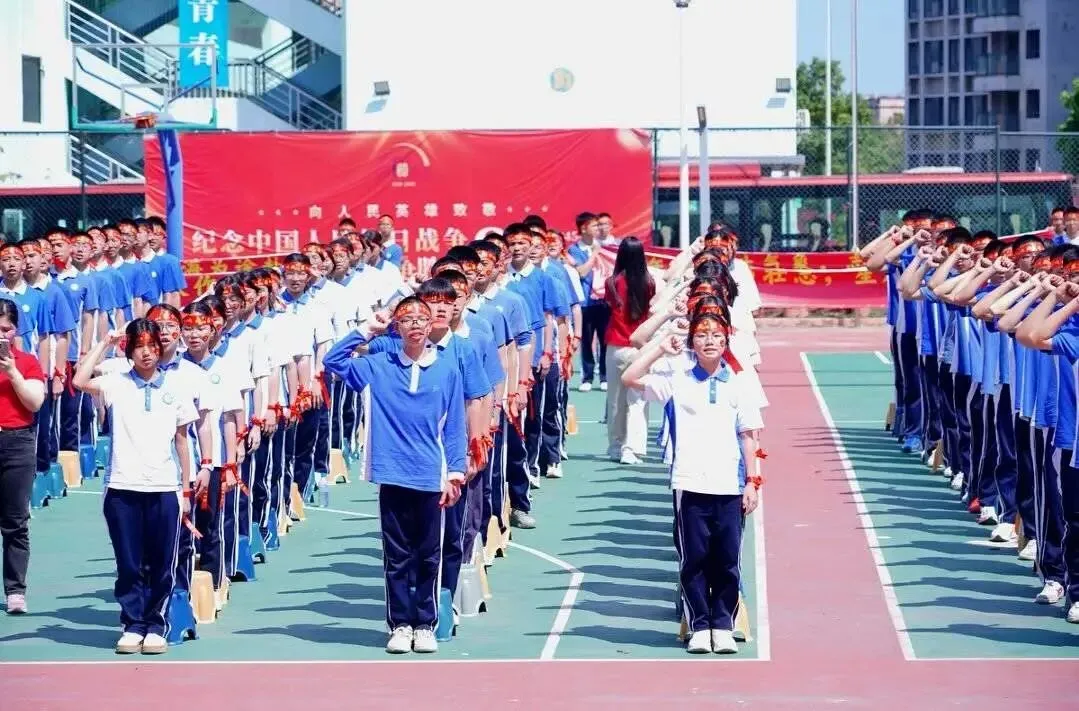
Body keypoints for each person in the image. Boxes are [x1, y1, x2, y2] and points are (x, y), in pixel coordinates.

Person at [322, 296, 466, 654]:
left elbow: (454, 427)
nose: (415, 324)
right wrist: (367, 329)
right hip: (392, 474)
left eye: (421, 318)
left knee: (429, 555)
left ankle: (425, 624)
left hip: (431, 476)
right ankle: (400, 624)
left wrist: (456, 472)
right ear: (396, 327)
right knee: (397, 556)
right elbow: (332, 361)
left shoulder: (447, 369)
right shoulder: (377, 366)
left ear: (431, 324)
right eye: (406, 319)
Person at [621, 307, 762, 653]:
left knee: (727, 560)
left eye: (716, 336)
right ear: (691, 342)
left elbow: (749, 436)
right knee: (693, 559)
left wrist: (753, 482)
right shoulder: (678, 380)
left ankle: (723, 625)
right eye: (701, 335)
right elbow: (630, 377)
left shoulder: (740, 382)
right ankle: (699, 625)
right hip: (689, 483)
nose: (709, 341)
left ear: (726, 341)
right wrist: (660, 349)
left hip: (730, 485)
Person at [72, 319, 197, 654]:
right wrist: (105, 342)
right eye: (139, 346)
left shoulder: (176, 388)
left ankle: (156, 625)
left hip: (164, 488)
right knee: (128, 562)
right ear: (129, 351)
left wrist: (186, 490)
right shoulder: (116, 383)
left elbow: (183, 441)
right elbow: (79, 380)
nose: (146, 353)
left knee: (162, 562)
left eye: (152, 346)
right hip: (121, 487)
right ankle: (132, 625)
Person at [0, 298, 46, 615]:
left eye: (6, 329)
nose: (1, 335)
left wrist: (12, 371)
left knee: (15, 521)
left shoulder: (27, 362)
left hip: (17, 442)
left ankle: (15, 589)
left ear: (16, 330)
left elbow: (34, 402)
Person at [604, 236, 656, 465]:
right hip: (641, 347)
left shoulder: (612, 282)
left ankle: (615, 446)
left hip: (617, 345)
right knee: (638, 400)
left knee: (616, 399)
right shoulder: (649, 282)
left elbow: (610, 307)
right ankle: (631, 448)